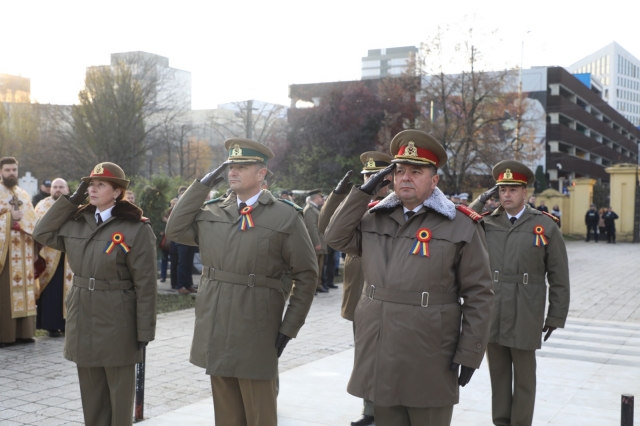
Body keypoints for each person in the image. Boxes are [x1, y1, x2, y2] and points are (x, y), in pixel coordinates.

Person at [325, 130, 494, 426]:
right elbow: (334, 237)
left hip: (430, 348)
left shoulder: (461, 224)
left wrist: (470, 352)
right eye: (400, 171)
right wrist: (363, 193)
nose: (405, 178)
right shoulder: (373, 217)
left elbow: (479, 294)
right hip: (381, 344)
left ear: (434, 180)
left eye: (416, 172)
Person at [165, 137, 317, 426]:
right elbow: (174, 229)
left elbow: (306, 275)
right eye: (230, 166)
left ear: (261, 173)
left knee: (259, 413)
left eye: (242, 166)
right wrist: (202, 186)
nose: (232, 171)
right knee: (226, 414)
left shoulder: (285, 216)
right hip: (216, 322)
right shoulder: (212, 211)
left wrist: (289, 327)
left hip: (256, 325)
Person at [33, 162, 157, 426]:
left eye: (101, 184)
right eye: (90, 184)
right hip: (83, 314)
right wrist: (71, 201)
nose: (92, 189)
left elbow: (146, 284)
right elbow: (41, 232)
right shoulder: (77, 221)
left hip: (117, 317)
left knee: (119, 396)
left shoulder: (135, 228)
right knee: (91, 396)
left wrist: (145, 330)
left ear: (117, 192)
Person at [469, 160, 570, 426]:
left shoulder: (545, 225)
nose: (507, 195)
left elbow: (559, 276)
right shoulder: (486, 223)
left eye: (513, 189)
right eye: (502, 190)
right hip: (494, 307)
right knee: (498, 374)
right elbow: (461, 221)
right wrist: (482, 199)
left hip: (527, 309)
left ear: (525, 192)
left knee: (525, 377)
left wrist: (555, 316)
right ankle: (501, 421)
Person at [318, 150, 393, 426]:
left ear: (388, 179)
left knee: (386, 356)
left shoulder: (394, 206)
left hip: (384, 292)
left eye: (376, 176)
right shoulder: (358, 204)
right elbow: (325, 227)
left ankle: (386, 410)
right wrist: (339, 194)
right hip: (359, 292)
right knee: (364, 355)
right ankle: (369, 410)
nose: (370, 180)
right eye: (367, 175)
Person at [0, 157, 38, 348]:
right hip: (5, 251)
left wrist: (36, 248)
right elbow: (12, 217)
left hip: (24, 251)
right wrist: (9, 217)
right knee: (6, 292)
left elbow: (33, 221)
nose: (11, 173)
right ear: (1, 171)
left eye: (14, 170)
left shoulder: (23, 194)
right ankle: (5, 336)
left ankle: (25, 333)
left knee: (25, 291)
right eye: (7, 170)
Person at [34, 178, 72, 337]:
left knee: (68, 289)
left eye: (61, 187)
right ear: (50, 190)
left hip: (69, 255)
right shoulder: (42, 205)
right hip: (50, 253)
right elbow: (37, 227)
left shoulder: (74, 206)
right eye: (55, 187)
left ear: (67, 190)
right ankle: (51, 325)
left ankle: (67, 324)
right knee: (52, 289)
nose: (58, 189)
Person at [304, 189, 328, 294]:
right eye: (320, 197)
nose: (322, 199)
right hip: (316, 244)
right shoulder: (309, 209)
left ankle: (317, 285)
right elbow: (312, 228)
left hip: (320, 243)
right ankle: (311, 287)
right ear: (317, 197)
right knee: (314, 266)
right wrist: (316, 243)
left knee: (319, 266)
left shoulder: (314, 209)